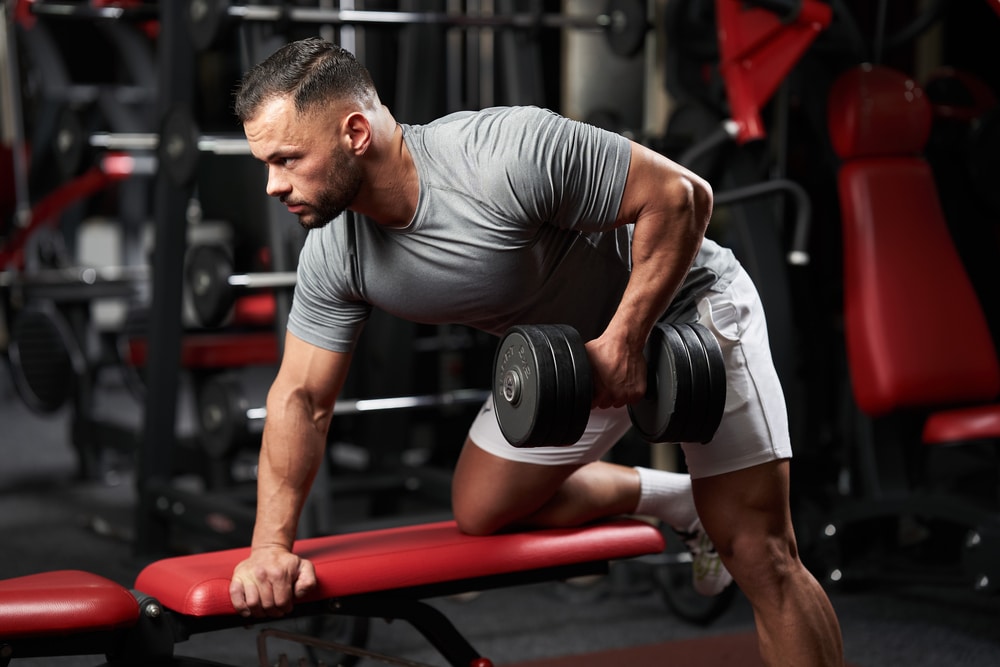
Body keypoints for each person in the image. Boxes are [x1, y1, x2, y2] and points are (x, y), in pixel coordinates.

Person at [227, 37, 844, 666]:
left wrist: (626, 340)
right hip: (571, 362)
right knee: (482, 508)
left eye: (287, 159)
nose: (274, 185)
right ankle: (680, 502)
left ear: (355, 132)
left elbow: (683, 197)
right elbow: (301, 397)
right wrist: (270, 546)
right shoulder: (336, 253)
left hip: (683, 310)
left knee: (761, 554)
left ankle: (721, 516)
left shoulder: (502, 154)